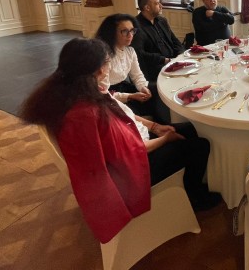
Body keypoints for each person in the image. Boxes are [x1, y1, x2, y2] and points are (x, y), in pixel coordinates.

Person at [19, 38, 220, 243]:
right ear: (98, 69)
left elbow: (124, 116)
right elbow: (135, 151)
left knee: (189, 130)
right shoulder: (89, 113)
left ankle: (189, 186)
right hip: (129, 176)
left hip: (124, 155)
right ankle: (194, 196)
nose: (110, 67)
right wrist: (166, 138)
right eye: (108, 62)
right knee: (200, 145)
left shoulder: (74, 93)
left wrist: (155, 127)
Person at [132, 0, 185, 81]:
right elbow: (139, 54)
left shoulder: (162, 20)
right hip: (156, 67)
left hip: (173, 60)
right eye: (157, 3)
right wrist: (165, 60)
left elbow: (174, 40)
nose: (161, 6)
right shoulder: (136, 26)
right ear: (147, 8)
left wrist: (180, 54)